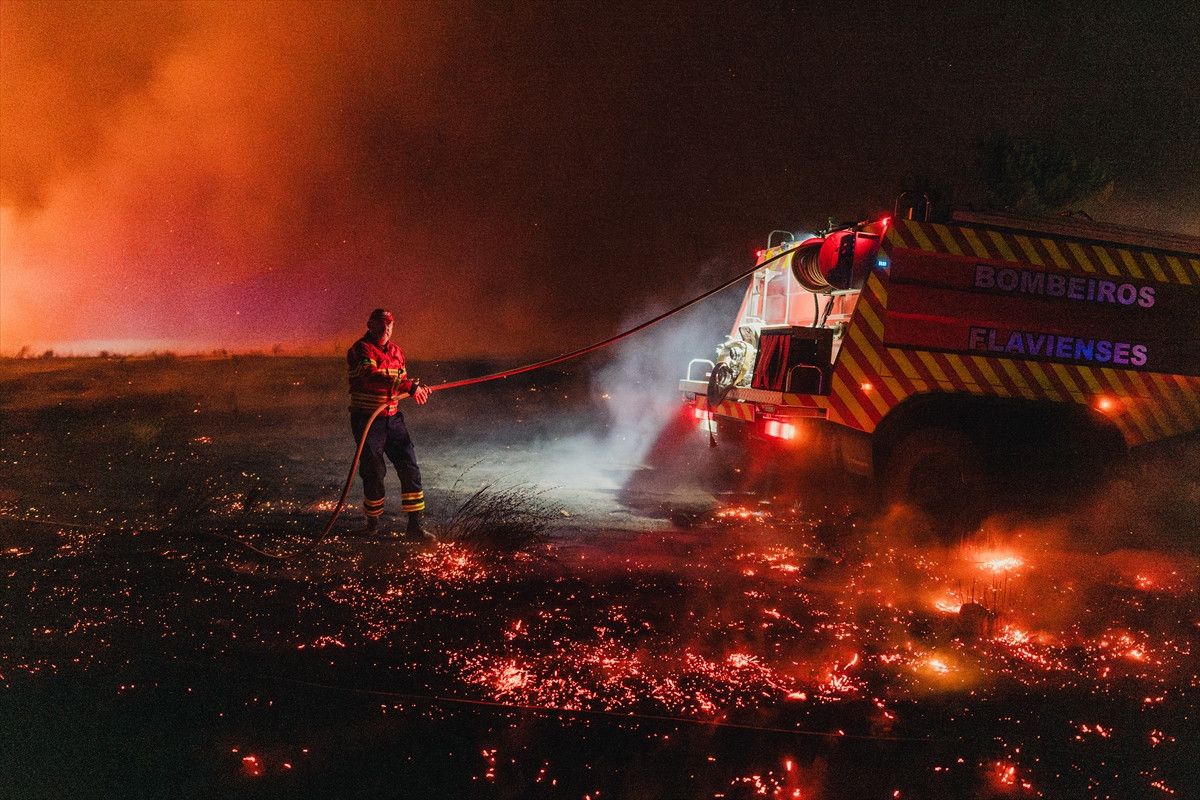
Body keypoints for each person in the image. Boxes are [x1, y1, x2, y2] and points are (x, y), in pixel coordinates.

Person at [346, 308, 434, 540]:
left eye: (390, 325)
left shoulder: (397, 352)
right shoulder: (360, 349)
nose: (387, 328)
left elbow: (402, 381)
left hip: (393, 419)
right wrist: (408, 387)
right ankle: (372, 524)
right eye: (381, 324)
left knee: (409, 465)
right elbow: (369, 375)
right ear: (370, 324)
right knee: (373, 470)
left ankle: (415, 527)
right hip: (368, 420)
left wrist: (416, 389)